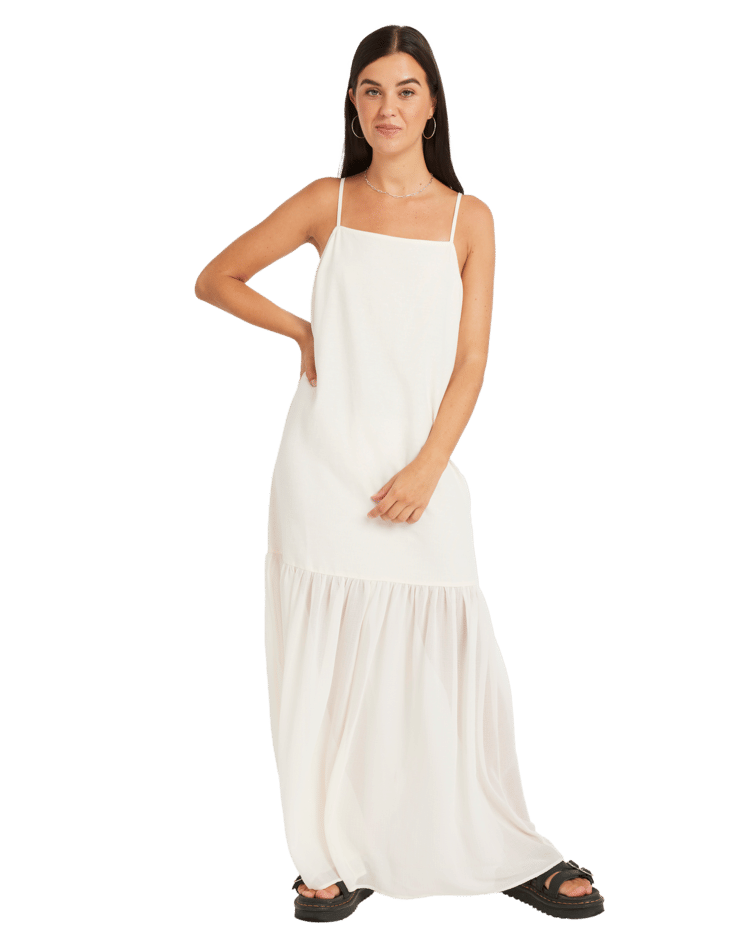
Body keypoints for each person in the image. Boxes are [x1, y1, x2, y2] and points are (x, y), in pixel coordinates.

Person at [194, 24, 605, 924]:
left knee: (450, 660)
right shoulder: (325, 203)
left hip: (421, 469)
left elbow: (472, 361)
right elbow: (217, 278)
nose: (389, 106)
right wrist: (303, 331)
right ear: (354, 104)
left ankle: (494, 843)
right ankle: (328, 855)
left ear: (432, 105)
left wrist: (428, 468)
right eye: (372, 89)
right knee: (327, 667)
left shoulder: (470, 218)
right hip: (322, 468)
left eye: (406, 89)